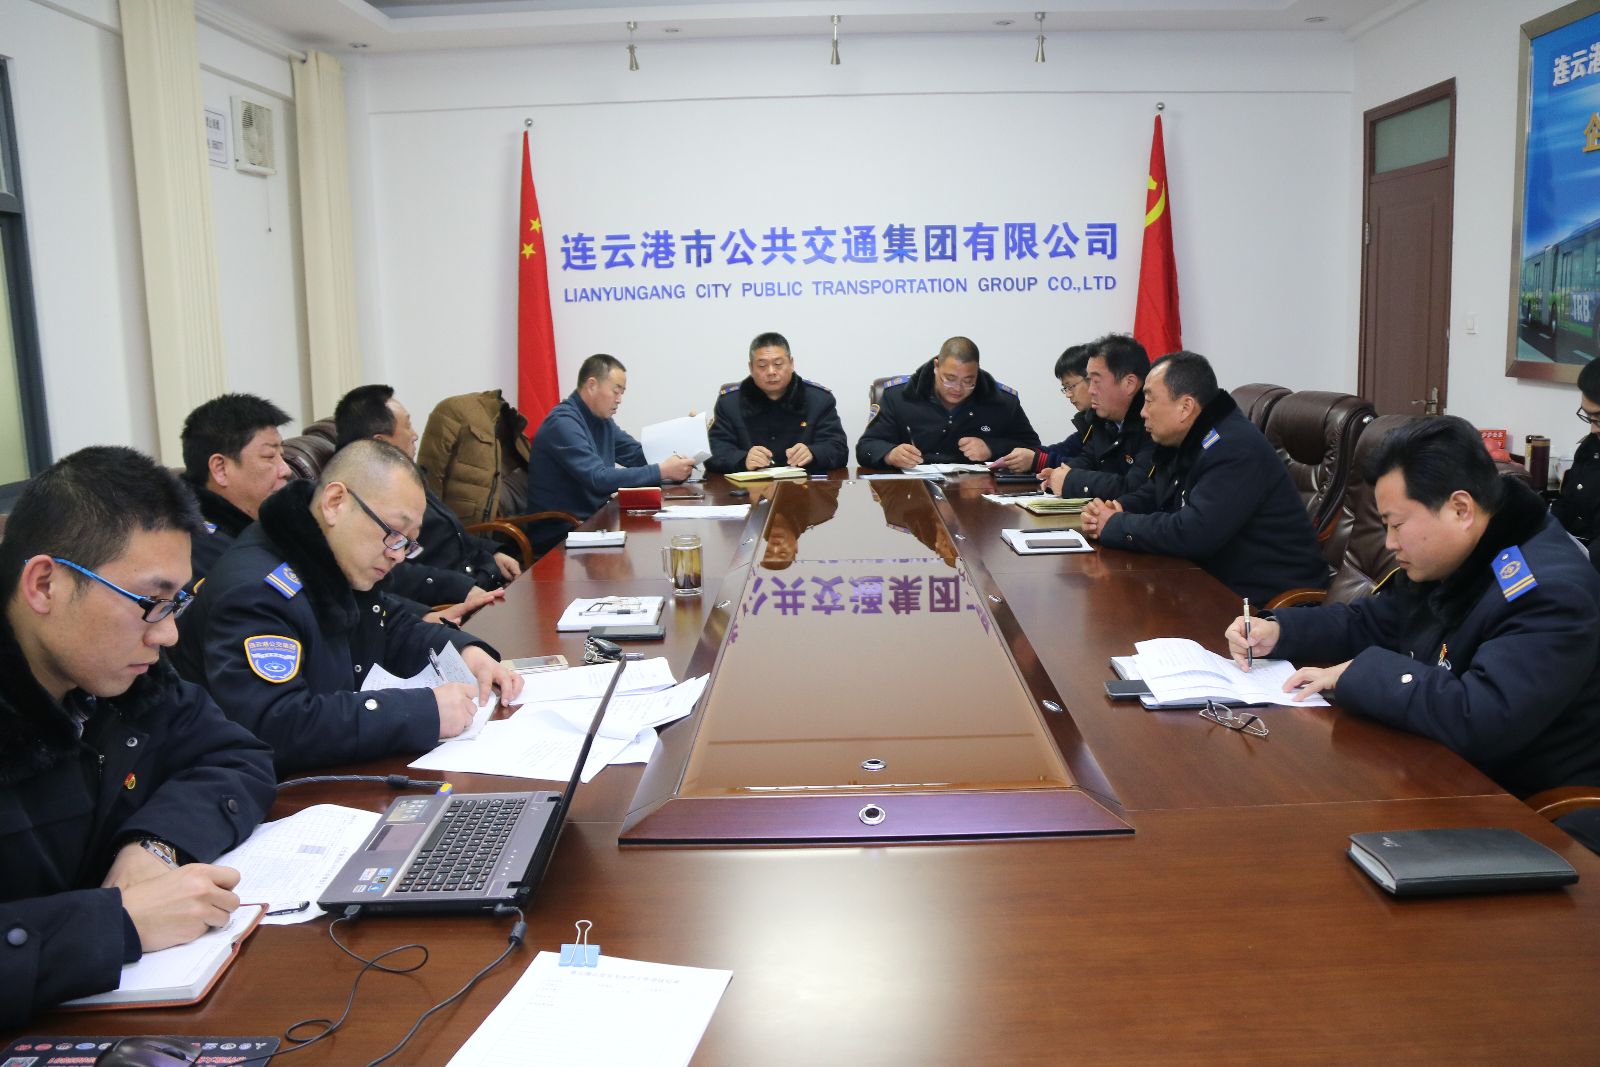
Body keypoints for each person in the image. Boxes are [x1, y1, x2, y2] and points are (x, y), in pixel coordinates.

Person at [0, 446, 275, 1024]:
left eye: (176, 603)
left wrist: (156, 846)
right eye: (151, 602)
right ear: (45, 584)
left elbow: (235, 754)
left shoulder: (123, 677)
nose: (168, 634)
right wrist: (117, 922)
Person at [1225, 415, 1600, 799]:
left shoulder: (1546, 592)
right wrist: (1280, 631)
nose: (1389, 543)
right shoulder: (1458, 553)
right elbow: (1372, 622)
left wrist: (1360, 673)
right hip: (1434, 768)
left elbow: (1481, 716)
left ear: (1460, 509)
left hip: (1519, 806)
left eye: (1396, 525)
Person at [174, 439, 523, 774]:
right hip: (272, 791)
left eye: (408, 544)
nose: (398, 555)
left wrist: (464, 653)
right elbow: (277, 725)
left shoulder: (325, 553)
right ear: (335, 502)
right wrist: (423, 712)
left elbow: (388, 624)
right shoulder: (256, 591)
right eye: (393, 533)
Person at [1080, 351, 1328, 603]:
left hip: (1266, 603)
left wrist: (1117, 525)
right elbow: (1158, 491)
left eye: (1150, 401)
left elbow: (1193, 533)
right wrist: (1119, 508)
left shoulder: (1233, 448)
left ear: (1185, 407)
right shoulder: (1193, 437)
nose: (1142, 412)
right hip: (1210, 583)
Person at [334, 384, 520, 614]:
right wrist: (462, 588)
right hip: (451, 603)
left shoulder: (403, 475)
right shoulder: (362, 493)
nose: (415, 435)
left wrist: (494, 552)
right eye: (407, 426)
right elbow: (390, 570)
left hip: (480, 581)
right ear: (381, 442)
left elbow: (452, 532)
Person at [525, 354, 697, 553]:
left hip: (595, 523)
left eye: (622, 393)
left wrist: (682, 442)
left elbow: (636, 455)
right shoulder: (563, 423)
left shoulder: (601, 420)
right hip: (562, 535)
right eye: (616, 391)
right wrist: (663, 470)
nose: (619, 400)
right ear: (592, 385)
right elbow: (598, 478)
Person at [855, 336, 1041, 469]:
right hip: (914, 492)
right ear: (936, 366)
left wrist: (992, 448)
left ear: (977, 371)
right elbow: (865, 449)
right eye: (949, 379)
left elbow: (1033, 448)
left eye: (968, 381)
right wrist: (890, 454)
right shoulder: (898, 396)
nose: (957, 388)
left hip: (979, 493)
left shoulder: (1001, 401)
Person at [178, 393, 293, 588]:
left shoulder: (271, 521)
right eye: (269, 456)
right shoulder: (205, 552)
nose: (286, 470)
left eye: (282, 456)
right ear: (220, 469)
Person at [706, 332, 849, 474]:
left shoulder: (819, 400)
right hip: (748, 486)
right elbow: (713, 452)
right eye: (762, 365)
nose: (771, 372)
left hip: (803, 485)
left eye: (778, 364)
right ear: (751, 367)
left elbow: (838, 449)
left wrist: (813, 453)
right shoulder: (730, 403)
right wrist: (742, 460)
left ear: (791, 363)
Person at [1041, 334, 1156, 499]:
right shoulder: (1103, 419)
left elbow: (1134, 487)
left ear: (1129, 383)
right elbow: (1088, 459)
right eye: (1089, 381)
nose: (1091, 391)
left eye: (1096, 381)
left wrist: (1070, 480)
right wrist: (1059, 475)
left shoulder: (1154, 422)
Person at [1552, 358, 1600, 546]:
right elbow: (1568, 503)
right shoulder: (1591, 447)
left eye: (1599, 419)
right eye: (1589, 417)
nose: (1593, 429)